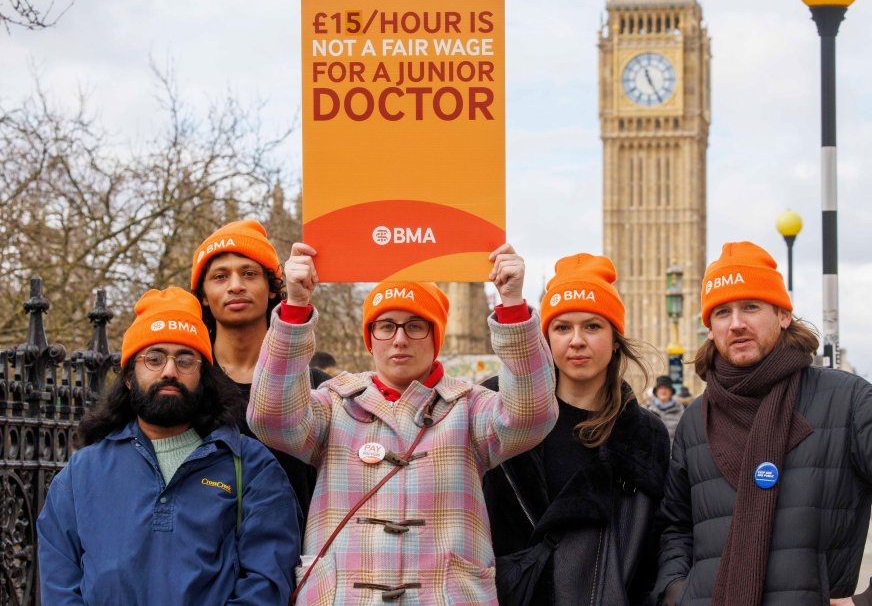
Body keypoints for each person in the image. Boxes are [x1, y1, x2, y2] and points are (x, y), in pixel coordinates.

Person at [247, 242, 558, 604]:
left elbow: (532, 415)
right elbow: (270, 417)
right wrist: (295, 310)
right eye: (386, 326)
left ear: (436, 337)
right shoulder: (333, 406)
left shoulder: (471, 408)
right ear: (369, 339)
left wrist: (513, 308)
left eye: (415, 326)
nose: (399, 339)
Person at [655, 242, 872, 606]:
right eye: (722, 312)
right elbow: (675, 525)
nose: (736, 323)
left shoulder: (844, 399)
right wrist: (676, 591)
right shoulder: (695, 420)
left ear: (783, 315)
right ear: (710, 328)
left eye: (751, 306)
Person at [37, 287, 300, 604]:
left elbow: (267, 583)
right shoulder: (82, 474)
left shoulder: (251, 467)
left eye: (186, 359)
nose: (170, 371)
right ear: (130, 377)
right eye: (154, 358)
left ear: (203, 377)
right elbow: (60, 586)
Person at [483, 253, 670, 605]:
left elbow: (651, 550)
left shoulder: (646, 435)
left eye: (593, 326)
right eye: (563, 327)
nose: (577, 340)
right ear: (546, 338)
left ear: (615, 340)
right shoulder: (496, 403)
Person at [192, 219, 329, 526]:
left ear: (271, 289)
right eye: (220, 276)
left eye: (249, 273)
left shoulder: (318, 388)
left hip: (293, 563)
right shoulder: (187, 385)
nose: (236, 285)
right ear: (202, 295)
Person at [648, 374, 684, 441]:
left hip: (673, 450)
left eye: (666, 388)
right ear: (656, 391)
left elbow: (684, 434)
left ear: (671, 392)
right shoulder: (647, 410)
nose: (663, 391)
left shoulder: (680, 411)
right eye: (660, 388)